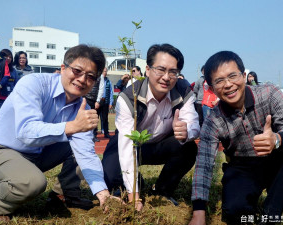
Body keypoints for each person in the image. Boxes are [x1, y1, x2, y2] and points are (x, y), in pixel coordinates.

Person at [0, 44, 115, 222]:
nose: (82, 79)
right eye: (77, 71)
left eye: (91, 76)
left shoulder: (81, 106)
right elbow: (25, 132)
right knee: (33, 183)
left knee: (79, 146)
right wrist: (72, 127)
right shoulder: (33, 84)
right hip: (1, 150)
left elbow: (86, 153)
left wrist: (103, 194)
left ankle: (63, 196)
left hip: (36, 154)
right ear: (63, 68)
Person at [189, 51, 283, 225]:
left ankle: (271, 215)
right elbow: (204, 164)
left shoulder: (269, 93)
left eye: (233, 76)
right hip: (242, 166)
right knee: (235, 210)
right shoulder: (213, 120)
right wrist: (198, 212)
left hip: (277, 159)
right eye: (219, 81)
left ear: (243, 76)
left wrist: (277, 139)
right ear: (211, 89)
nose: (228, 85)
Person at [102, 43, 200, 211]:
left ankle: (162, 190)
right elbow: (126, 148)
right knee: (110, 174)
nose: (166, 77)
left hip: (162, 144)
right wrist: (135, 197)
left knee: (189, 148)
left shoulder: (184, 92)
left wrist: (186, 131)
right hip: (133, 144)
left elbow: (193, 123)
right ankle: (135, 183)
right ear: (147, 70)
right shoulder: (129, 97)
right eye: (160, 69)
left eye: (173, 72)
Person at [85, 72, 104, 142]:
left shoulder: (100, 76)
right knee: (85, 117)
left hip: (94, 100)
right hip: (85, 98)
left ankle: (94, 135)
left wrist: (98, 101)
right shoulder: (87, 72)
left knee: (93, 118)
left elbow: (101, 88)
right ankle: (85, 135)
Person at [98, 67, 113, 138]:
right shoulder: (97, 80)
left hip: (105, 101)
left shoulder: (108, 81)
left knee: (105, 119)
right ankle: (94, 134)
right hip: (98, 101)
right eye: (104, 71)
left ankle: (106, 133)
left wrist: (110, 103)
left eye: (106, 71)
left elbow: (111, 92)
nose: (105, 73)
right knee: (95, 118)